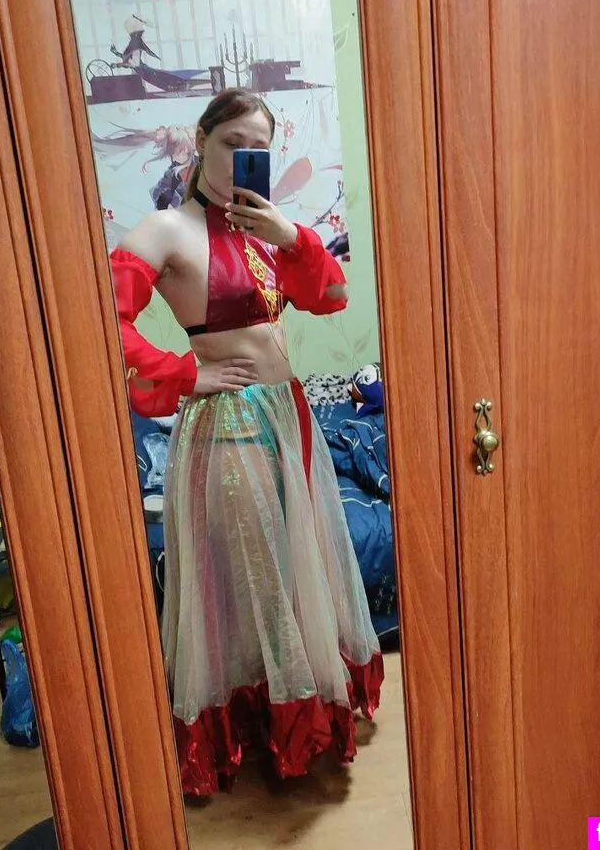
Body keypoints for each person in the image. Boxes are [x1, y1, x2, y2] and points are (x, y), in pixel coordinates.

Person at [109, 88, 383, 797]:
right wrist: (184, 373)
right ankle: (267, 727)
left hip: (289, 417)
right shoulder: (166, 228)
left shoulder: (266, 228)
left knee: (297, 564)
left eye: (258, 148)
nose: (243, 159)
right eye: (232, 143)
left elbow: (330, 298)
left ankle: (294, 714)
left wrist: (291, 236)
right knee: (255, 571)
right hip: (227, 422)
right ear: (201, 139)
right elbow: (102, 317)